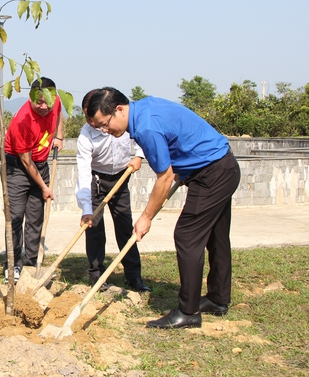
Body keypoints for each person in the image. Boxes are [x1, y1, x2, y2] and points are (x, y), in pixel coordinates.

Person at [87, 87, 240, 329]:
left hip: (212, 174)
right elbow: (176, 138)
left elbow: (164, 177)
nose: (105, 130)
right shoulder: (144, 108)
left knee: (187, 236)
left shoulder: (145, 128)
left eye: (104, 124)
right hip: (222, 166)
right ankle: (217, 299)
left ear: (119, 110)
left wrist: (145, 217)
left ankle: (188, 312)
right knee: (216, 236)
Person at [75, 89, 150, 293]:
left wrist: (139, 156)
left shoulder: (121, 121)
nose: (92, 121)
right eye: (87, 116)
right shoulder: (86, 134)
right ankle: (97, 275)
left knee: (126, 228)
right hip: (96, 180)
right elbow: (83, 170)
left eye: (94, 116)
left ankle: (134, 277)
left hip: (121, 178)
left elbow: (143, 135)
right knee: (94, 228)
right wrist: (86, 208)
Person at [3, 77, 64, 282]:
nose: (44, 106)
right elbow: (26, 162)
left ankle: (30, 262)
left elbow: (59, 114)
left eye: (48, 101)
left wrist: (59, 137)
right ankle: (13, 265)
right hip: (17, 168)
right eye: (39, 102)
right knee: (16, 216)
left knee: (35, 217)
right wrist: (44, 187)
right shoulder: (23, 120)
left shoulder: (54, 102)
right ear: (31, 97)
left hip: (40, 164)